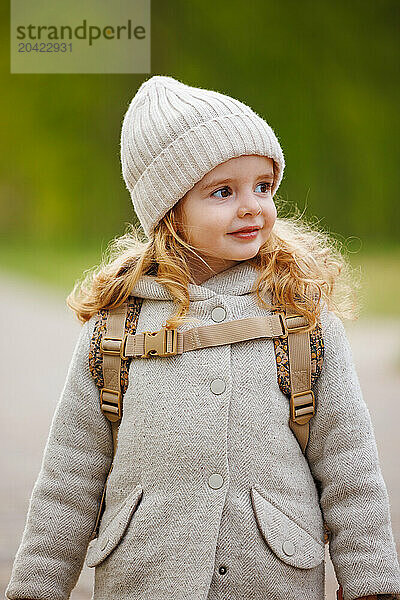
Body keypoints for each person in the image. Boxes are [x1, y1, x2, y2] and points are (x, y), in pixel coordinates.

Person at [5, 75, 400, 600]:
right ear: (170, 213)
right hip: (145, 580)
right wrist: (36, 589)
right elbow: (68, 482)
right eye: (223, 191)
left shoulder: (302, 318)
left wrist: (372, 583)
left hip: (272, 579)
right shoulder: (118, 328)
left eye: (263, 186)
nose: (252, 206)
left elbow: (350, 466)